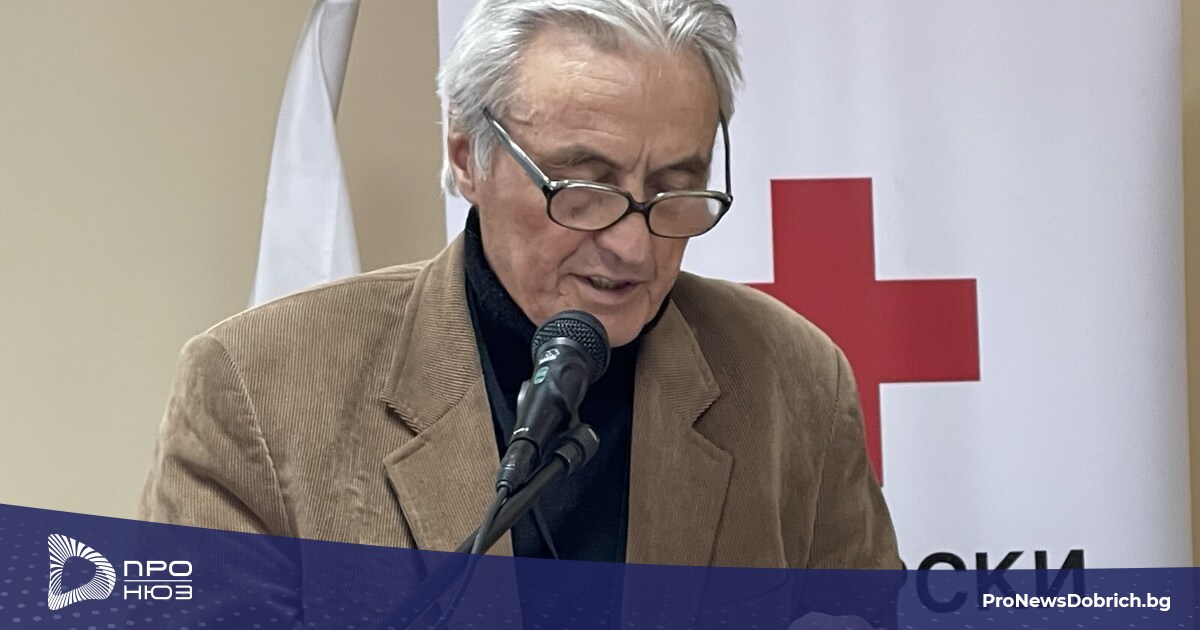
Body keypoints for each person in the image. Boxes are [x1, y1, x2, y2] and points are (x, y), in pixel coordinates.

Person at [138, 0, 900, 572]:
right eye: (583, 186)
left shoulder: (789, 378)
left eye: (675, 187)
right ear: (467, 156)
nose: (632, 245)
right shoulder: (259, 384)